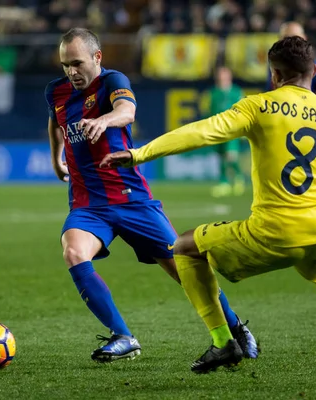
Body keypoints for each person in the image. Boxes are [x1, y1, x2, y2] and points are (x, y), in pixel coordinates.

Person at [100, 36, 316, 387]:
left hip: (271, 232)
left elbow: (202, 132)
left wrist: (140, 153)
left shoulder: (259, 106)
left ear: (274, 76)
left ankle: (223, 342)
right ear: (313, 71)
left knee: (184, 247)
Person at [44, 28, 258, 363]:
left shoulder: (113, 80)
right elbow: (55, 124)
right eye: (64, 65)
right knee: (73, 252)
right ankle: (123, 335)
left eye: (77, 63)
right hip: (88, 205)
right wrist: (57, 159)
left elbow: (126, 111)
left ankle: (236, 327)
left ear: (97, 58)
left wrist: (104, 121)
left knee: (184, 269)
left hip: (132, 200)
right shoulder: (56, 92)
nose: (71, 71)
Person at [269, 22, 316, 113]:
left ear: (304, 38)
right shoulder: (274, 65)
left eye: (295, 38)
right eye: (285, 38)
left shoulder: (315, 68)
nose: (289, 43)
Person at [207, 66, 246, 198]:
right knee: (222, 156)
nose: (222, 77)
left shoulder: (236, 92)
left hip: (233, 129)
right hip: (218, 129)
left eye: (224, 75)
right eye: (220, 75)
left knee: (231, 156)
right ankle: (224, 182)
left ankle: (238, 178)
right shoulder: (214, 93)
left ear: (229, 76)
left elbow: (242, 110)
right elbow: (211, 112)